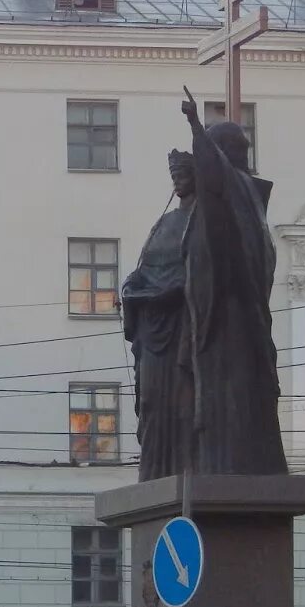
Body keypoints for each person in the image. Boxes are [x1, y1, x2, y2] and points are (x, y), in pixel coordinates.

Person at [180, 88, 286, 476]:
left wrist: (195, 125)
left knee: (233, 398)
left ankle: (231, 463)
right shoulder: (244, 199)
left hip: (231, 320)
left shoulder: (235, 192)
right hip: (235, 317)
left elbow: (213, 171)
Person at [122, 150, 198, 480]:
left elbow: (205, 272)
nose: (177, 178)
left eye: (182, 172)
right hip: (151, 325)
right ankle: (153, 472)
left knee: (184, 402)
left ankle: (185, 471)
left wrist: (176, 291)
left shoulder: (204, 221)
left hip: (183, 324)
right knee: (151, 401)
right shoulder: (164, 222)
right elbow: (141, 269)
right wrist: (130, 288)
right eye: (174, 173)